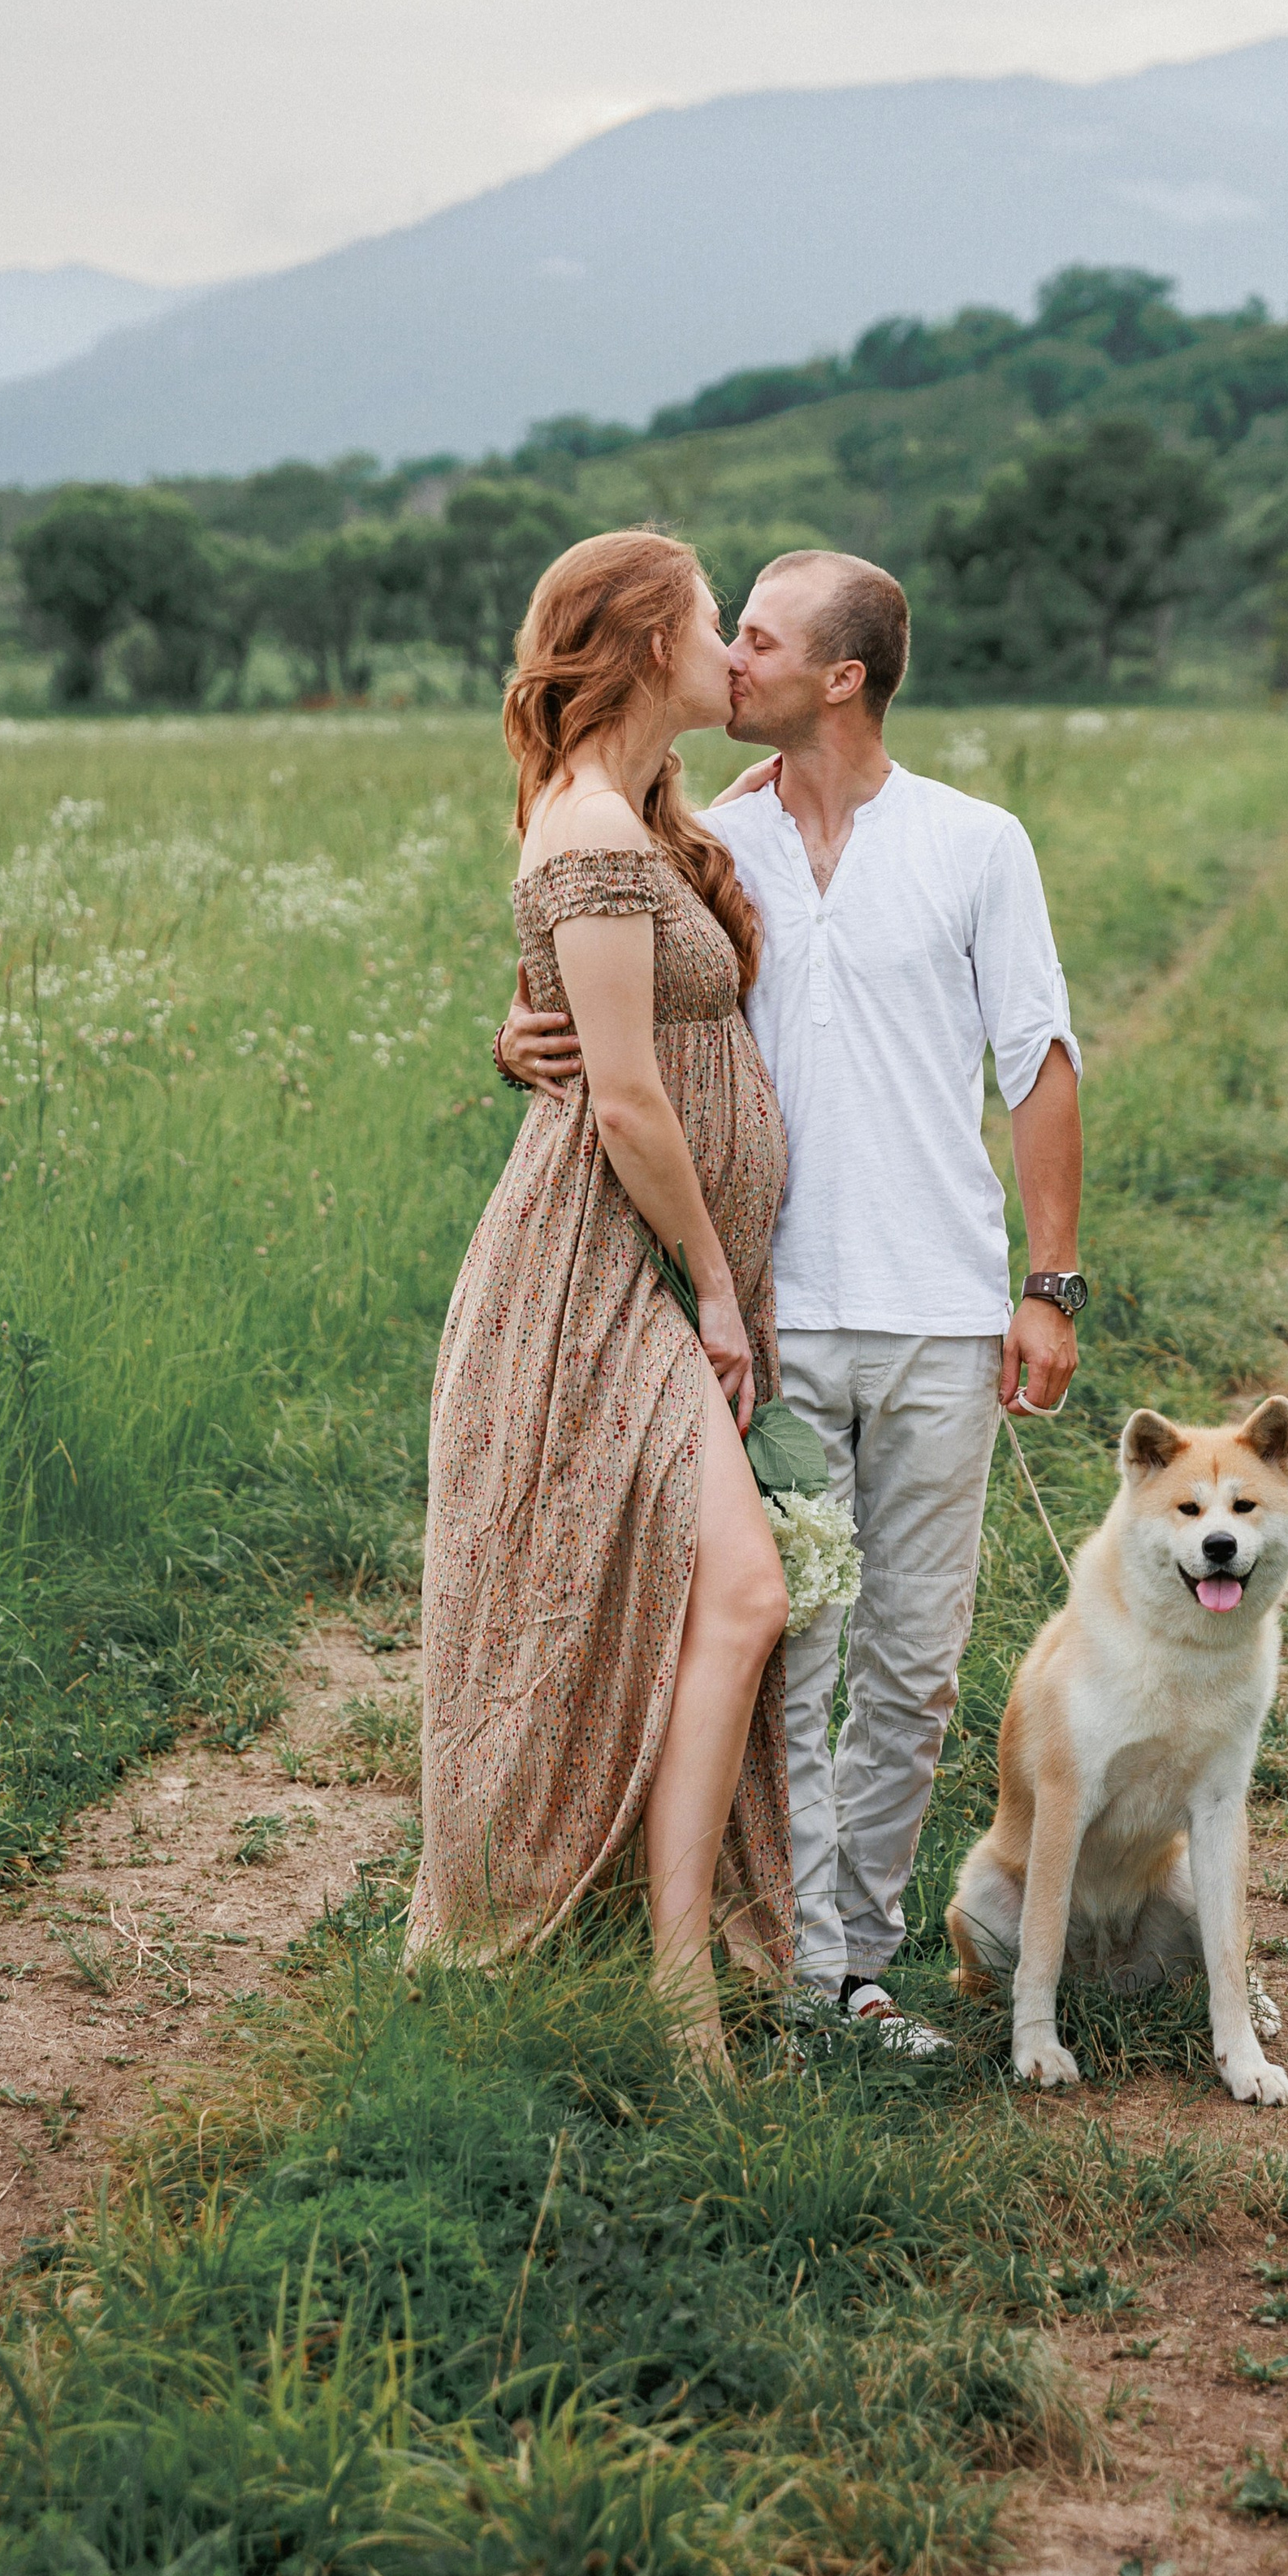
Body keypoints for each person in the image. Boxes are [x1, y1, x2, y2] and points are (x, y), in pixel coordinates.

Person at [501, 548, 1086, 2047]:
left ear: (845, 677)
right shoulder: (707, 840)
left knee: (914, 1663)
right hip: (774, 1311)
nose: (733, 658)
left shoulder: (977, 842)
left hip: (946, 1310)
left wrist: (1048, 1284)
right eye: (727, 629)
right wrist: (527, 1033)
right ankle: (809, 1970)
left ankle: (862, 1946)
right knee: (796, 1647)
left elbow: (1040, 1061)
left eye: (760, 639)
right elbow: (605, 976)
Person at [412, 529, 793, 2073]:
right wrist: (714, 1283)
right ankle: (678, 1988)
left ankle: (664, 1952)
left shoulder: (642, 814)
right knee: (747, 1589)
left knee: (703, 1594)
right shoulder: (582, 830)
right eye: (714, 624)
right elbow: (628, 1100)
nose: (731, 652)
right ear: (646, 644)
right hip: (605, 1270)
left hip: (649, 1261)